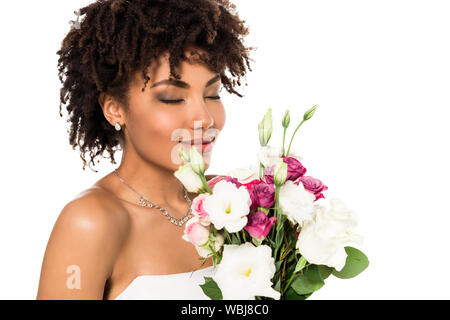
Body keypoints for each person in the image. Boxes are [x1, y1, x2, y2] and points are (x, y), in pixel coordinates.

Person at [36, 0, 254, 300]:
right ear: (115, 109)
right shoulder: (90, 222)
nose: (204, 118)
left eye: (212, 94)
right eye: (172, 98)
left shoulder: (233, 203)